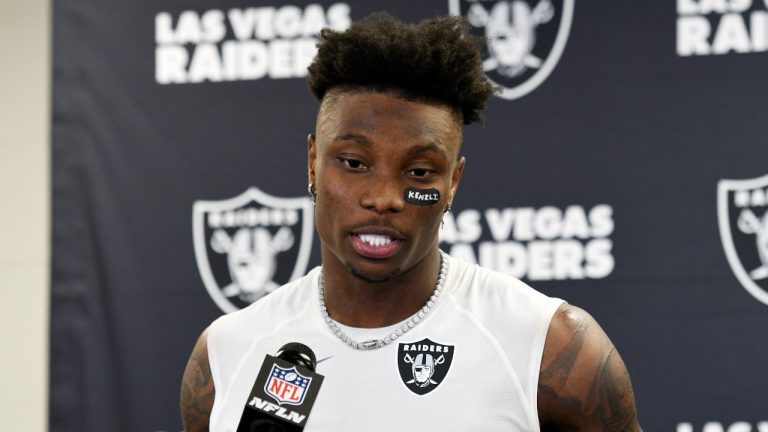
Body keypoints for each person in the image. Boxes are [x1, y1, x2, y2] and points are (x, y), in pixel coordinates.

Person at [181, 13, 643, 431]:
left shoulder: (552, 348)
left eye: (419, 172)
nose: (384, 199)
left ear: (453, 182)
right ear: (312, 163)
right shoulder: (227, 353)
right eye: (354, 162)